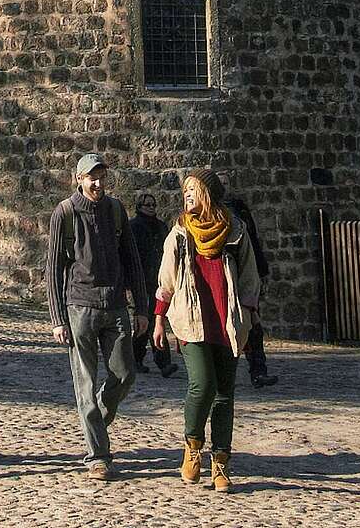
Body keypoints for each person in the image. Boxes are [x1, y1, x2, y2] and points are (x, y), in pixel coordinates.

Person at [153, 169, 261, 494]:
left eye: (193, 192)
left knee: (225, 393)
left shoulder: (236, 231)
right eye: (185, 193)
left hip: (227, 321)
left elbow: (249, 279)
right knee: (203, 384)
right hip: (191, 319)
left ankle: (221, 463)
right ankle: (192, 446)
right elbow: (166, 279)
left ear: (208, 195)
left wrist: (251, 319)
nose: (187, 198)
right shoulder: (180, 233)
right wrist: (159, 319)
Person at [46, 153, 149, 480]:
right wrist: (57, 318)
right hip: (80, 307)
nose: (98, 183)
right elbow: (53, 270)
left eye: (102, 176)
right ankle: (98, 456)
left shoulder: (116, 210)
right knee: (85, 385)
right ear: (78, 179)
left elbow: (132, 260)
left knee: (125, 375)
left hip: (116, 305)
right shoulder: (65, 212)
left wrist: (142, 308)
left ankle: (95, 422)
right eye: (92, 177)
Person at [222, 190, 278, 388]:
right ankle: (223, 375)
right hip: (224, 284)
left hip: (244, 281)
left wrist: (259, 272)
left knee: (254, 326)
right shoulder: (213, 220)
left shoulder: (242, 214)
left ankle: (258, 370)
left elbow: (252, 246)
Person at [129, 192, 178, 378]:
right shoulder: (134, 227)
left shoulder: (161, 227)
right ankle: (161, 361)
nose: (150, 208)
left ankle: (139, 359)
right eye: (147, 205)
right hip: (141, 280)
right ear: (140, 207)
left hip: (158, 279)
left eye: (153, 205)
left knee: (153, 318)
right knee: (147, 319)